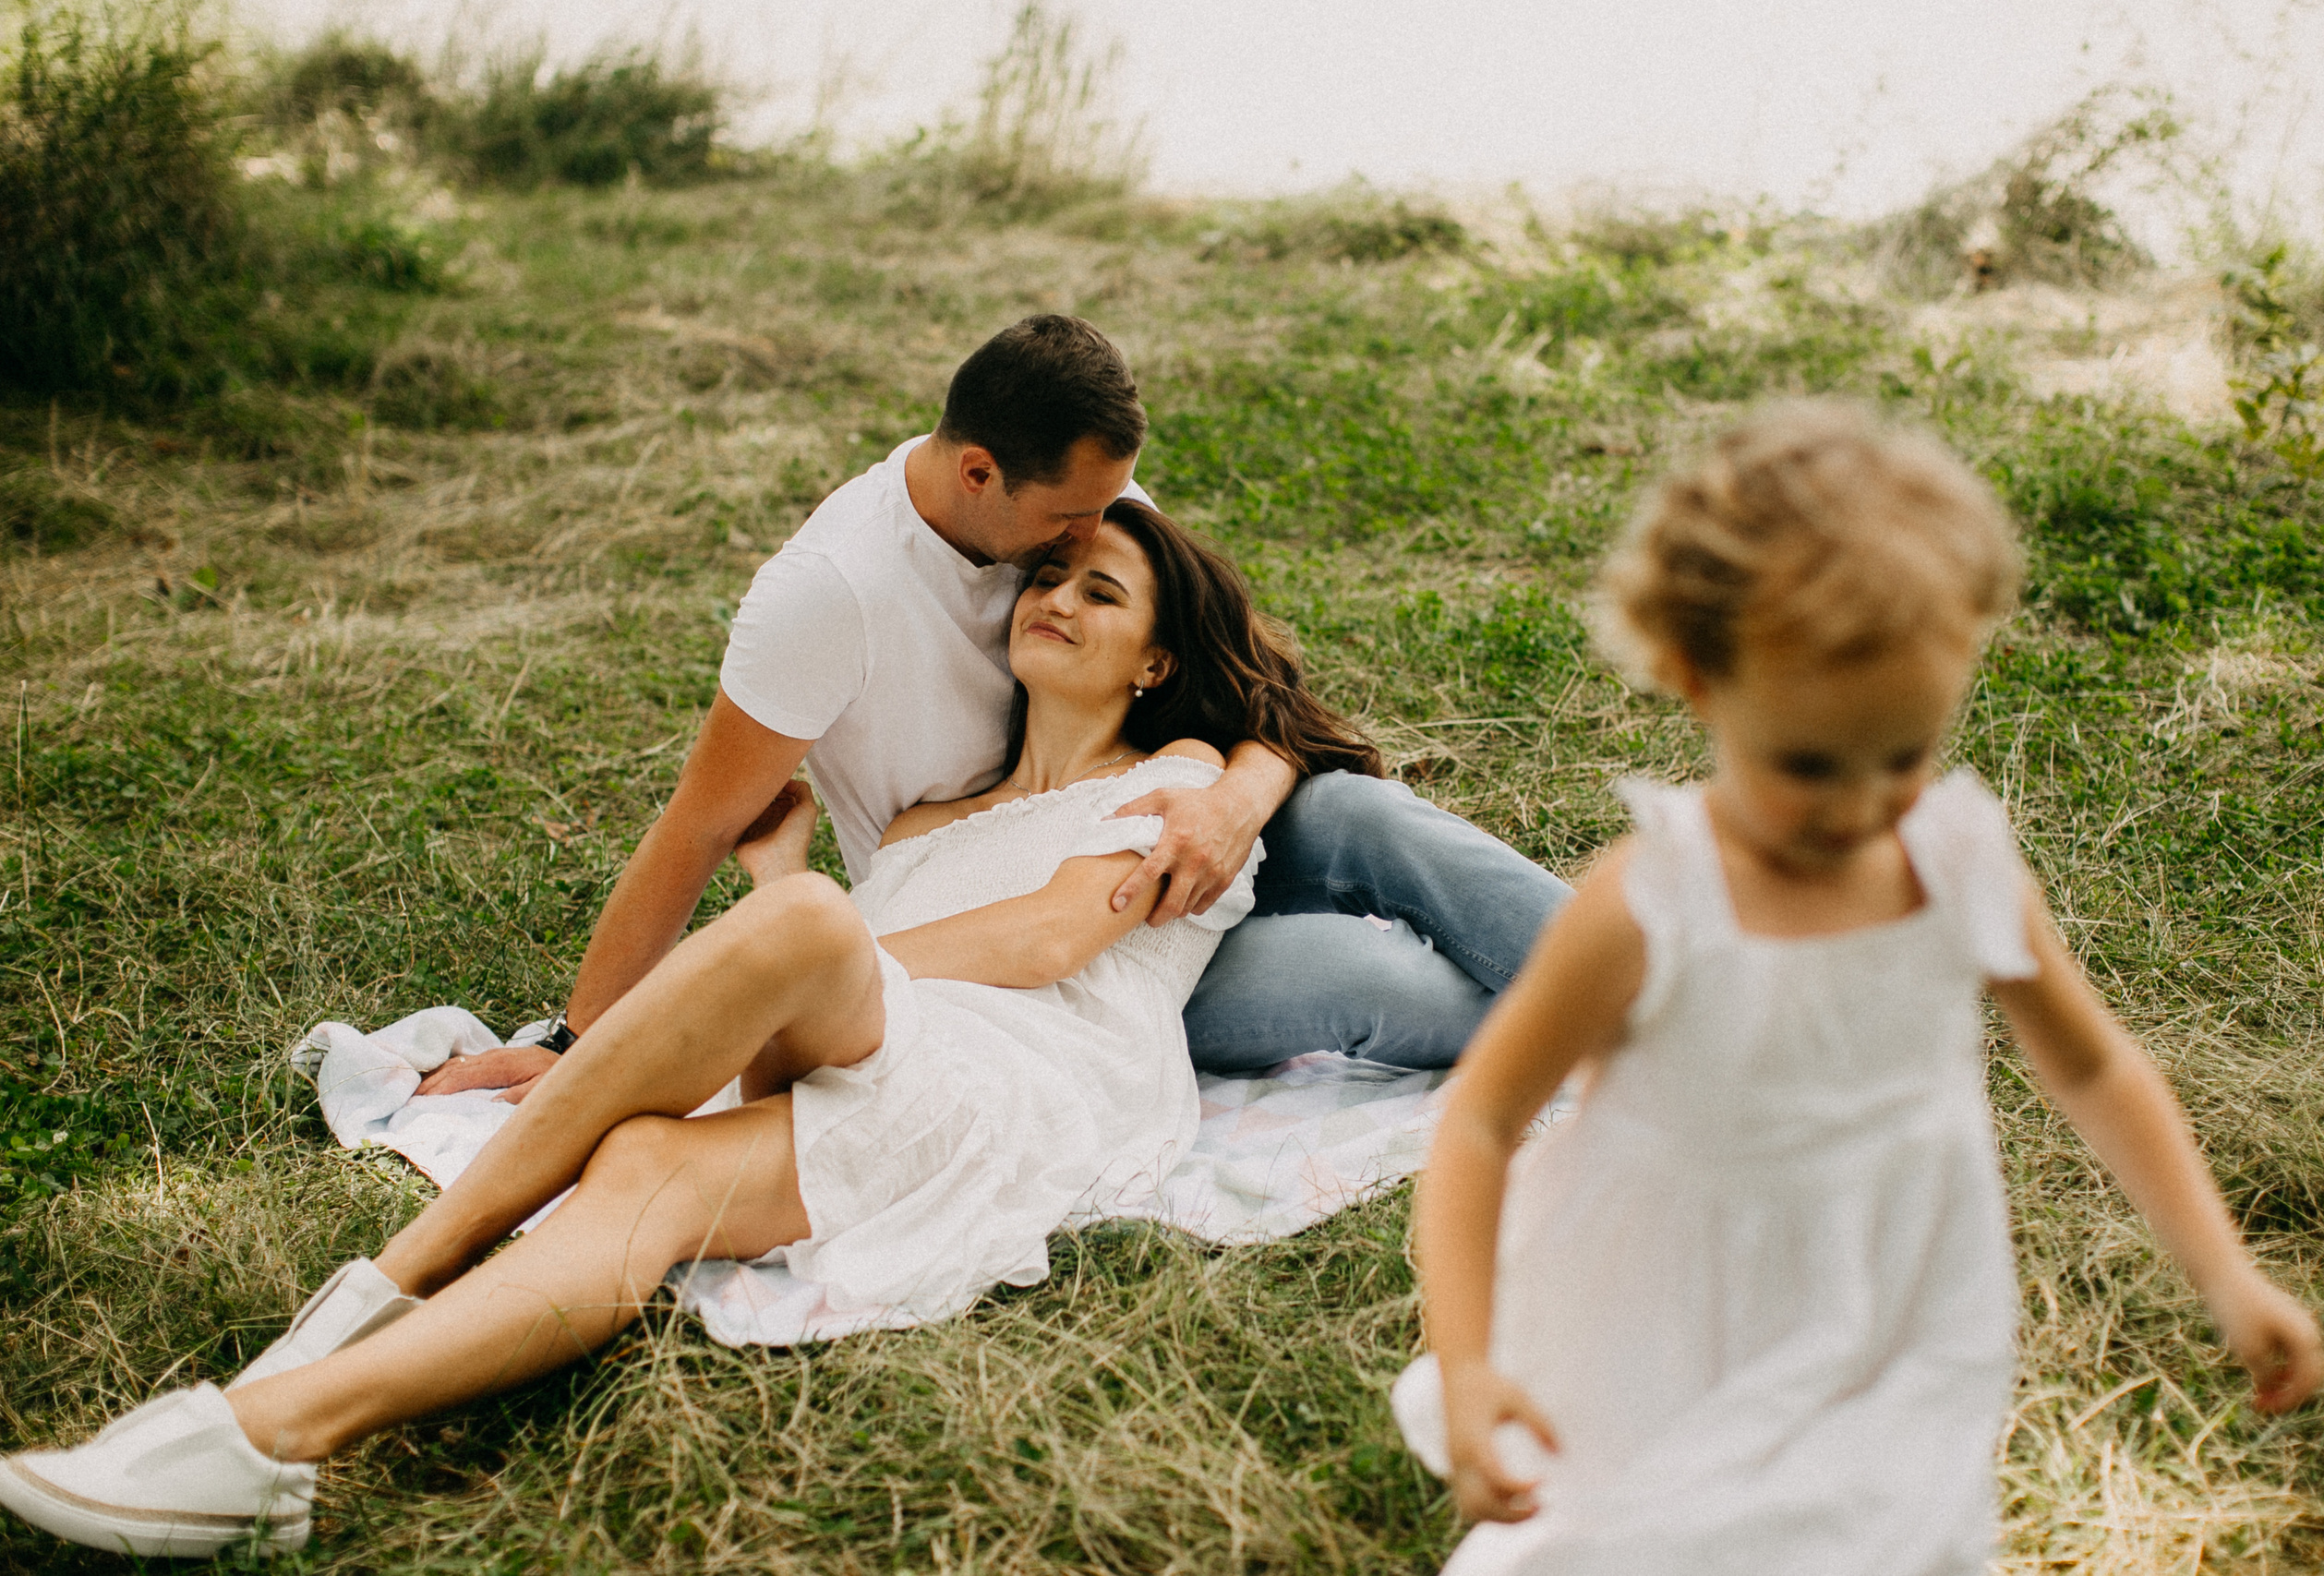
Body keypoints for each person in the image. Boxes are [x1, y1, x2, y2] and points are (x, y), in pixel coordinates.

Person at [0, 501, 1379, 1558]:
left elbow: (1039, 941)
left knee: (757, 1007)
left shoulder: (1185, 778)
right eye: (1044, 574)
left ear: (1155, 661)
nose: (1054, 598)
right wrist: (774, 904)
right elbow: (815, 980)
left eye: (1101, 590)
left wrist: (765, 952)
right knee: (646, 1155)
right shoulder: (922, 820)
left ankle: (348, 1324)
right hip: (894, 1057)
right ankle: (275, 1441)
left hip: (1037, 1078)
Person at [1390, 403, 2324, 1575]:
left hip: (1896, 1289)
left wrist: (2224, 1269)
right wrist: (1470, 1360)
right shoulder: (1649, 901)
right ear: (1694, 677)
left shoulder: (1961, 862)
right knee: (1648, 1539)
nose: (1857, 807)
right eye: (1807, 765)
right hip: (1670, 1311)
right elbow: (1479, 1120)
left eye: (1904, 756)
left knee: (1885, 1530)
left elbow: (2092, 1067)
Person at [409, 314, 1567, 1105]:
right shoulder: (830, 596)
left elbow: (1257, 686)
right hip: (1010, 915)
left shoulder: (1085, 501)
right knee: (1379, 987)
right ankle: (1627, 1026)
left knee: (1365, 817)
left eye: (1108, 513)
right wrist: (580, 1046)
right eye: (1071, 521)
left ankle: (1670, 979)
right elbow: (699, 823)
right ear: (977, 474)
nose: (1092, 539)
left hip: (1155, 821)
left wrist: (1232, 806)